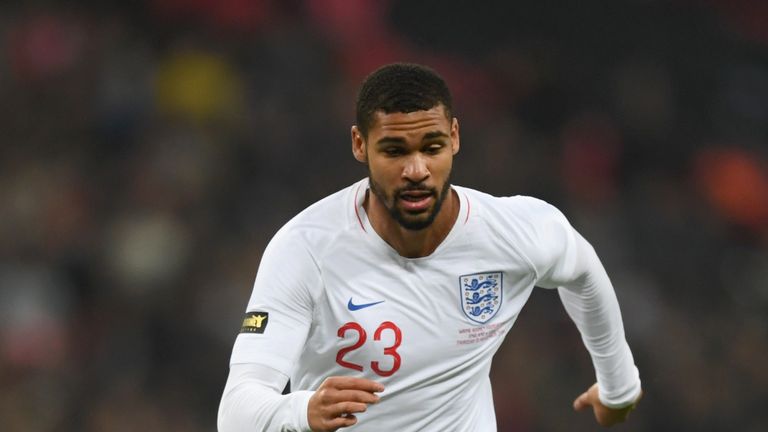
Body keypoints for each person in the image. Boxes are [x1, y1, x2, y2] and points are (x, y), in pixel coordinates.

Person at [218, 63, 642, 431]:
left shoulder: (514, 231)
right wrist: (303, 410)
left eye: (432, 147)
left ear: (454, 137)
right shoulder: (306, 250)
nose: (416, 170)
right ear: (359, 144)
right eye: (394, 151)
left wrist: (618, 385)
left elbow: (584, 273)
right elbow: (236, 413)